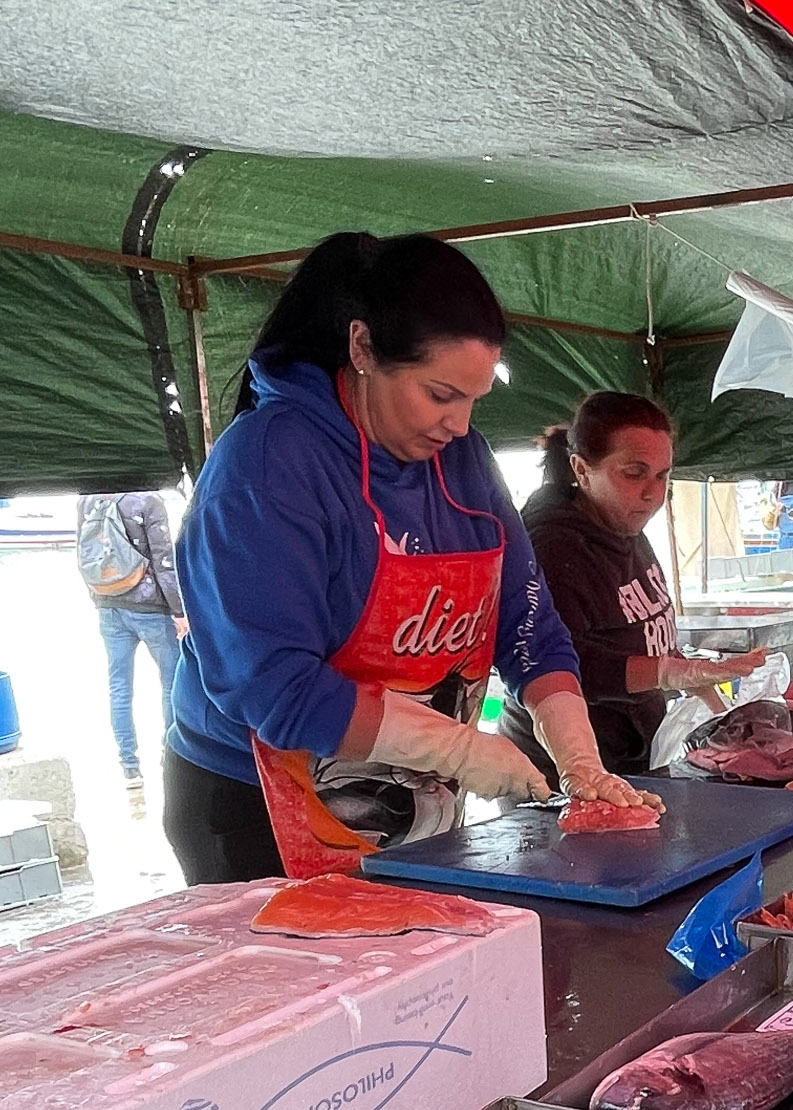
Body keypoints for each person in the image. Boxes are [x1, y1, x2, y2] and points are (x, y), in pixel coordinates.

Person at [164, 231, 655, 885]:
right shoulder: (266, 464)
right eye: (440, 394)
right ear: (363, 348)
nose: (458, 423)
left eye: (474, 398)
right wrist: (453, 747)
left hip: (411, 790)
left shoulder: (463, 460)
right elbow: (274, 688)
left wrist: (578, 757)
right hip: (260, 803)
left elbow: (526, 622)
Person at [502, 393, 765, 778]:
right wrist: (667, 673)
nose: (652, 494)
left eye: (662, 475)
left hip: (633, 755)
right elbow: (561, 668)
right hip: (562, 769)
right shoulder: (553, 547)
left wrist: (699, 684)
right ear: (581, 468)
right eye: (633, 473)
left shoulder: (625, 524)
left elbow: (645, 627)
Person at [76, 490, 186, 800]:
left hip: (109, 606)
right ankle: (172, 755)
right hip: (151, 609)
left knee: (120, 689)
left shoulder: (87, 499)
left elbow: (82, 556)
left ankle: (130, 769)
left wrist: (99, 598)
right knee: (172, 685)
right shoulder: (147, 501)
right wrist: (180, 611)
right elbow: (164, 561)